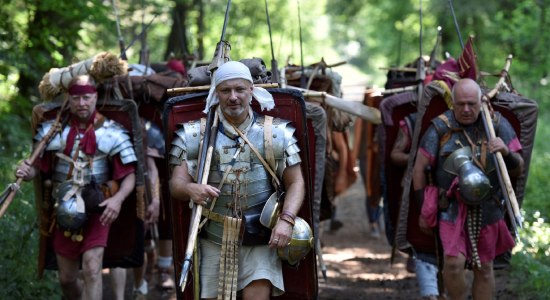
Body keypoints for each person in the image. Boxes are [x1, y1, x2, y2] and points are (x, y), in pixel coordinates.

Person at [169, 61, 305, 300]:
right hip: (214, 236)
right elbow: (176, 184)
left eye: (240, 89)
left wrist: (286, 220)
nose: (233, 97)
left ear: (251, 90)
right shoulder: (193, 134)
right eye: (225, 90)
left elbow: (296, 183)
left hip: (261, 237)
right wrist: (190, 189)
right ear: (216, 93)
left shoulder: (275, 133)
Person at [15, 74, 137, 300]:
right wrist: (26, 170)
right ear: (68, 100)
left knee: (92, 268)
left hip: (98, 208)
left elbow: (129, 175)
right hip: (63, 209)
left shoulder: (112, 131)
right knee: (67, 279)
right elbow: (37, 168)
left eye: (87, 98)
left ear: (95, 97)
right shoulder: (52, 131)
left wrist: (117, 200)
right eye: (76, 98)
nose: (82, 103)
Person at [413, 78, 523, 299]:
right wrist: (423, 210)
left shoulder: (497, 125)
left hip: (488, 208)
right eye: (460, 104)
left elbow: (518, 168)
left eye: (471, 104)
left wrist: (506, 152)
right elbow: (419, 171)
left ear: (480, 101)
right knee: (453, 265)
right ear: (452, 103)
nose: (466, 109)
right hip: (450, 208)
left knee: (484, 268)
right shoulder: (439, 128)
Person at [390, 112, 441, 300]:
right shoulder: (412, 122)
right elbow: (395, 155)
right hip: (419, 189)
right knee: (424, 244)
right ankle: (430, 293)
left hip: (456, 193)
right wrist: (418, 158)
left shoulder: (472, 119)